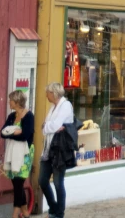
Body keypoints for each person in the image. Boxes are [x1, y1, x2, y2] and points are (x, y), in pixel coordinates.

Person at [38, 83, 73, 218]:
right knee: (42, 180)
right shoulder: (53, 107)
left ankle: (59, 213)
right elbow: (47, 126)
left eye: (48, 93)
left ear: (54, 93)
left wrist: (48, 126)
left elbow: (55, 125)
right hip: (48, 149)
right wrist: (49, 126)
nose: (46, 95)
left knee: (58, 183)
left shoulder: (66, 106)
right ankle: (53, 207)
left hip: (60, 150)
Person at [1, 90, 35, 218]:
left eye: (11, 100)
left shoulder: (29, 116)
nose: (9, 102)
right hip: (12, 152)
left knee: (19, 182)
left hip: (25, 153)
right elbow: (2, 133)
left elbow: (25, 136)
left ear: (16, 102)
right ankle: (25, 212)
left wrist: (11, 134)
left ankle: (15, 213)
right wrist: (14, 133)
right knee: (15, 182)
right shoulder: (12, 116)